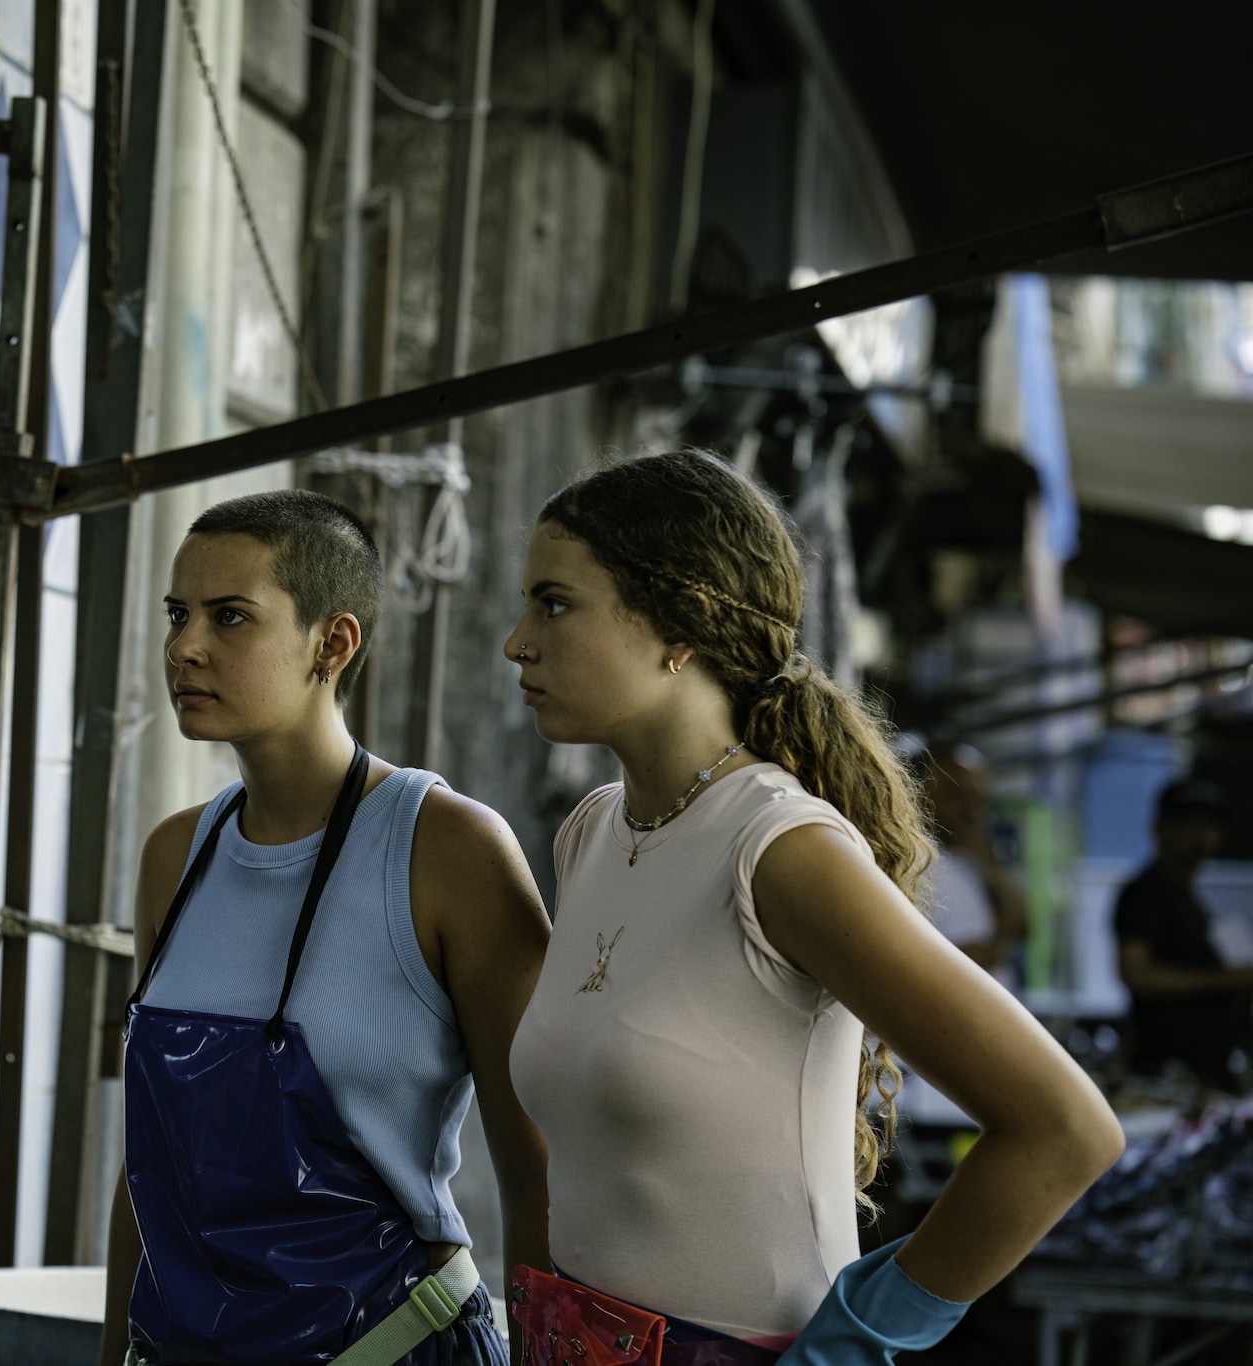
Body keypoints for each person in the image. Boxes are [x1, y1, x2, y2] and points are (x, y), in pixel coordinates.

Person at [502, 451, 1123, 1364]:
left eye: (554, 604)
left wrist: (853, 1344)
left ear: (684, 624)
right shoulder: (592, 829)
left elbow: (1064, 1130)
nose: (518, 640)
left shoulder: (779, 850)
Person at [99, 490, 552, 1366]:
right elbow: (151, 1166)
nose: (184, 647)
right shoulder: (175, 858)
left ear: (332, 645)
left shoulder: (446, 848)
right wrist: (115, 1349)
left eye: (231, 618)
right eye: (178, 614)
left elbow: (539, 1168)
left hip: (389, 1348)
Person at [1115, 778, 1253, 1089]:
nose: (1200, 836)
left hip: (1207, 1071)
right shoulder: (1144, 893)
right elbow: (1136, 973)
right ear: (1159, 828)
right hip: (1167, 1076)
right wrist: (1230, 979)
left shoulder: (1190, 898)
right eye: (1187, 824)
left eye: (1210, 826)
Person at [920, 744, 1028, 981]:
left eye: (977, 797)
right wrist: (1002, 943)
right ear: (924, 792)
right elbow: (965, 965)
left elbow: (1024, 924)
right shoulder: (920, 861)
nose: (969, 808)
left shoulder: (972, 857)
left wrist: (988, 861)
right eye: (955, 794)